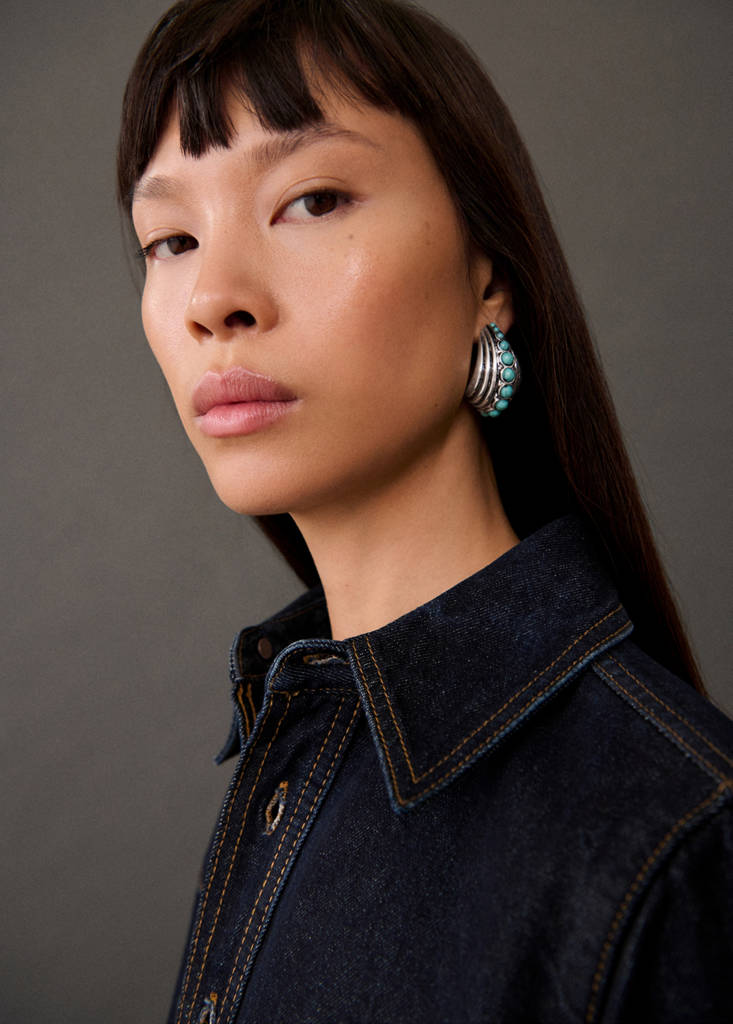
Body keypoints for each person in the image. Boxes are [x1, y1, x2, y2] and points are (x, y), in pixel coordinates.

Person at [117, 0, 732, 1020]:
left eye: (311, 200)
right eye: (170, 237)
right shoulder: (295, 738)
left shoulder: (671, 843)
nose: (212, 299)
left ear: (488, 276)